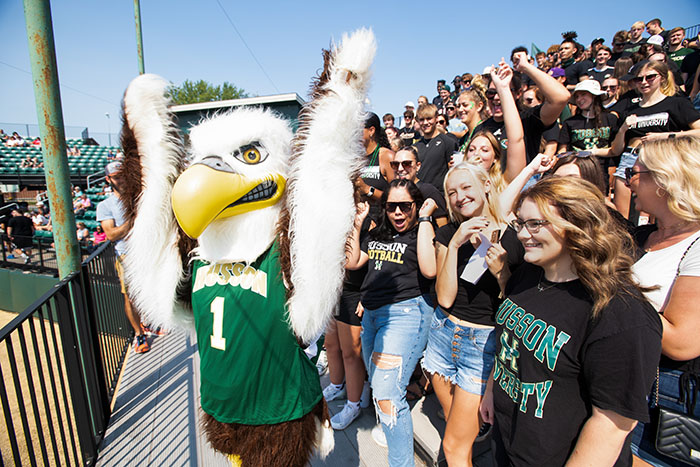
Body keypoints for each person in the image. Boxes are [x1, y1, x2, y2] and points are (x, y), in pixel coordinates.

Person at [480, 176, 662, 466]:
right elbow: (507, 344)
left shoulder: (620, 314)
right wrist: (492, 391)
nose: (524, 235)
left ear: (577, 224)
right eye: (521, 224)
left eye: (536, 224)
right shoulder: (528, 274)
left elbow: (611, 426)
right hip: (508, 443)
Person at [421, 162, 524, 465]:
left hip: (482, 346)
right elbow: (445, 297)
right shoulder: (447, 233)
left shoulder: (514, 239)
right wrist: (454, 245)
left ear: (486, 186)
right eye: (452, 192)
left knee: (453, 445)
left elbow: (513, 304)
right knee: (455, 428)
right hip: (443, 335)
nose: (459, 197)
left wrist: (502, 272)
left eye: (466, 187)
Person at [346, 179, 435, 466]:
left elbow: (429, 270)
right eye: (391, 207)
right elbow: (352, 261)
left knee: (385, 395)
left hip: (404, 314)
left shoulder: (421, 231)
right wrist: (359, 223)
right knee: (382, 391)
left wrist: (423, 219)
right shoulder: (379, 236)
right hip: (373, 316)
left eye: (404, 206)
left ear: (415, 206)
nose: (397, 213)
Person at [626, 136, 700, 466]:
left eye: (637, 172)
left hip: (664, 393)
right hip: (627, 378)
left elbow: (683, 341)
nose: (629, 179)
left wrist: (614, 295)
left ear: (665, 180)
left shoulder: (696, 246)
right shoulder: (643, 237)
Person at [610, 60, 700, 218]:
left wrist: (666, 137)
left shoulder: (676, 103)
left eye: (650, 77)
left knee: (654, 216)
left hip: (660, 161)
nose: (644, 82)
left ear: (663, 78)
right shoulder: (629, 108)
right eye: (639, 79)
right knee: (621, 218)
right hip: (630, 159)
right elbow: (616, 149)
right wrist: (623, 128)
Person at [96, 161, 149, 353]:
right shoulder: (105, 205)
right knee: (131, 297)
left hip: (147, 251)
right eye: (117, 176)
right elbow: (111, 234)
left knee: (149, 291)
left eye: (123, 174)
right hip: (127, 255)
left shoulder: (139, 197)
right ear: (108, 179)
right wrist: (134, 221)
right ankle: (139, 333)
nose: (122, 179)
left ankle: (149, 323)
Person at [387, 146, 448, 227]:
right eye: (395, 164)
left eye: (406, 164)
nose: (400, 168)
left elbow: (443, 227)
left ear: (418, 166)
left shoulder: (429, 191)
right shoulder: (392, 191)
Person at [414, 104, 458, 193]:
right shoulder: (416, 146)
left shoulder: (448, 142)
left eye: (429, 118)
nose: (426, 123)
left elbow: (454, 173)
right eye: (422, 119)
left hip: (440, 196)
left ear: (436, 118)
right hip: (419, 196)